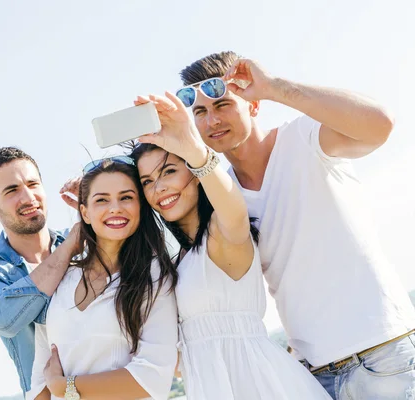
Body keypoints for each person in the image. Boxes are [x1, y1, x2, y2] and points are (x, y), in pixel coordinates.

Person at [175, 51, 415, 399]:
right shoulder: (221, 196)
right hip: (313, 374)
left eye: (223, 105)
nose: (212, 121)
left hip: (383, 354)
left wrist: (274, 87)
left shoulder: (304, 139)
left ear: (252, 105)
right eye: (200, 112)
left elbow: (380, 124)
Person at [131, 92, 331, 399]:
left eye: (168, 172)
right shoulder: (179, 261)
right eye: (146, 182)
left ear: (197, 174)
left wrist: (192, 146)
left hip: (264, 386)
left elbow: (232, 207)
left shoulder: (223, 232)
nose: (159, 188)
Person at [27, 157, 178, 400]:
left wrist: (66, 387)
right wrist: (55, 388)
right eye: (102, 200)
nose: (115, 207)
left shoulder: (154, 277)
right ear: (84, 213)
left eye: (126, 197)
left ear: (140, 206)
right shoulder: (63, 277)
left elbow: (153, 377)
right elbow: (40, 374)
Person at [0, 147, 80, 393]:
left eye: (33, 184)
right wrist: (69, 248)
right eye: (12, 190)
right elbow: (4, 319)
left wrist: (97, 204)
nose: (28, 198)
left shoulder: (84, 243)